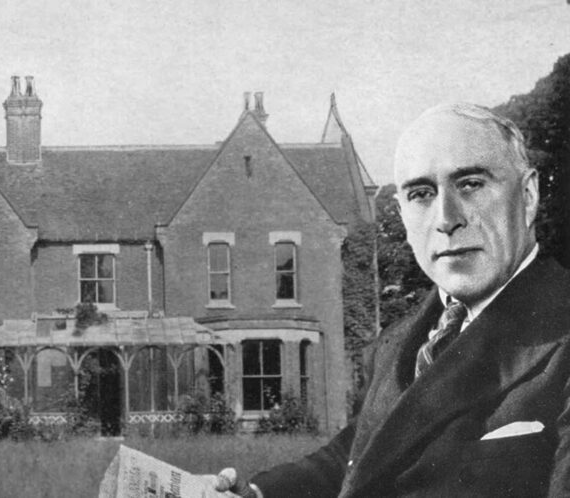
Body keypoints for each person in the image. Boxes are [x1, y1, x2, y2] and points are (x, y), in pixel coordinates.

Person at [219, 103, 570, 497]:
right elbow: (361, 455)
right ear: (403, 217)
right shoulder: (397, 343)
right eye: (421, 194)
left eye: (471, 184)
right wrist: (257, 494)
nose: (446, 218)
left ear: (528, 195)